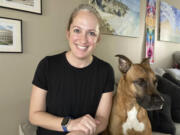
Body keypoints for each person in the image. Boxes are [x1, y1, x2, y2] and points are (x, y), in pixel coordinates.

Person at [29, 4, 115, 135]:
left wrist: (79, 133)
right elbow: (34, 115)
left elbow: (102, 121)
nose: (83, 39)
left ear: (98, 39)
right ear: (68, 33)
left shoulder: (106, 71)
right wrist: (70, 124)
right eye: (77, 30)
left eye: (91, 33)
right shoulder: (47, 65)